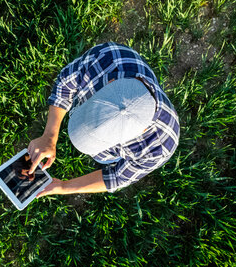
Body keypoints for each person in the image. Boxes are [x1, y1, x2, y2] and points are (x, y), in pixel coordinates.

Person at [28, 42, 180, 198]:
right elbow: (65, 85)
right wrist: (49, 135)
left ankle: (107, 157)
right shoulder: (107, 56)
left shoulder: (159, 148)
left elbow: (116, 176)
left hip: (121, 151)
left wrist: (63, 186)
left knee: (106, 159)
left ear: (142, 131)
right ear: (111, 82)